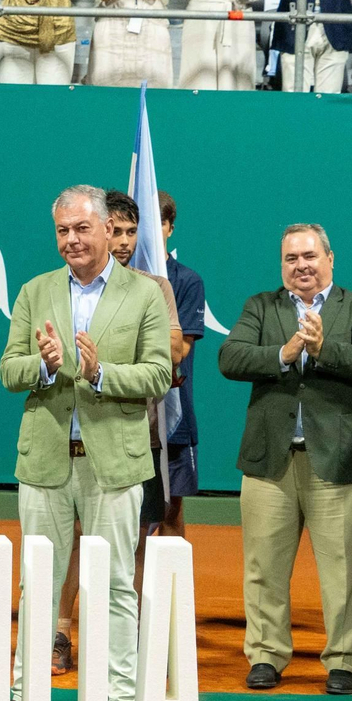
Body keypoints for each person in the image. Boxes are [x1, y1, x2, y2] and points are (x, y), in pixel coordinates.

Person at [0, 185, 171, 701]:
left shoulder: (144, 294)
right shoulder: (34, 290)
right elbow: (8, 369)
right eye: (62, 231)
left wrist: (98, 375)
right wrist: (45, 368)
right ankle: (23, 693)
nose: (71, 240)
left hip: (114, 464)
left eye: (81, 229)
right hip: (46, 460)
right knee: (36, 582)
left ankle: (121, 700)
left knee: (117, 583)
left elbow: (159, 375)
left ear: (107, 230)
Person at [217, 224, 352, 696]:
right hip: (269, 461)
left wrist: (321, 349)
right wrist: (283, 352)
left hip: (338, 461)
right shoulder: (262, 306)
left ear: (330, 259)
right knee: (264, 567)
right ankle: (267, 655)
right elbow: (230, 357)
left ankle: (343, 661)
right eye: (291, 258)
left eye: (310, 256)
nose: (301, 266)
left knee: (343, 569)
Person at [51, 189, 186, 673]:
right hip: (66, 441)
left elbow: (170, 354)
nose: (125, 240)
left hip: (136, 437)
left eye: (132, 232)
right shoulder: (53, 288)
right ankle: (60, 635)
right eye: (118, 230)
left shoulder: (155, 287)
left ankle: (129, 647)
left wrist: (101, 365)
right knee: (69, 541)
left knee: (134, 542)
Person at [144, 190, 206, 537]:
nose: (151, 233)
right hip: (127, 415)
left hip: (174, 413)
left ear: (170, 228)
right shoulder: (118, 279)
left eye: (159, 224)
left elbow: (177, 350)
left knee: (169, 509)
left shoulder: (186, 281)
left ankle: (170, 591)